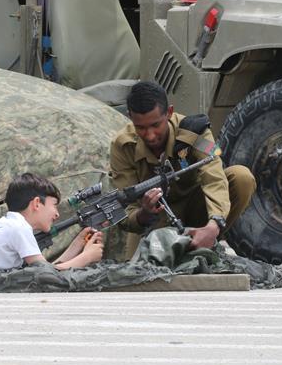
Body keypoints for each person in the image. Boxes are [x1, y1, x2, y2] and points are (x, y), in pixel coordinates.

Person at [109, 81, 256, 252]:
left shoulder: (196, 131)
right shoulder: (122, 146)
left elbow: (214, 177)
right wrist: (145, 213)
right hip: (153, 225)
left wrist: (214, 224)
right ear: (130, 117)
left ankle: (207, 241)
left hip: (196, 210)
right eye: (140, 127)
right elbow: (124, 212)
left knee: (241, 177)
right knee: (143, 266)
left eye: (156, 125)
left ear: (169, 113)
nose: (150, 136)